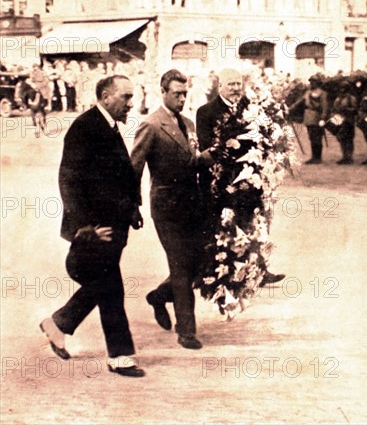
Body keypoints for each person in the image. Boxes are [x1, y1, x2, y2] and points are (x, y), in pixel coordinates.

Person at [39, 75, 145, 378]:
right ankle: (120, 356)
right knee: (111, 288)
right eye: (125, 97)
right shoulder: (85, 127)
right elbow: (68, 179)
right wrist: (84, 226)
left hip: (113, 224)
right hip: (97, 228)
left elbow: (120, 175)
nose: (131, 103)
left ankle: (58, 324)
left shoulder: (108, 126)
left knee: (105, 285)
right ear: (106, 96)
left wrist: (132, 208)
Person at [131, 69, 209, 350]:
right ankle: (186, 331)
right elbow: (134, 168)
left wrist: (206, 158)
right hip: (166, 206)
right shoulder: (151, 125)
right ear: (162, 92)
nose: (182, 98)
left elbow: (191, 162)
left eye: (185, 93)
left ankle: (158, 296)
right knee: (180, 266)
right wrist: (132, 206)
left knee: (198, 262)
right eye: (176, 93)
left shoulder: (188, 123)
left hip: (193, 204)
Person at [196, 68, 285, 287]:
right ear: (220, 87)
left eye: (238, 84)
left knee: (254, 222)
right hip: (222, 181)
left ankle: (258, 271)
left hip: (250, 178)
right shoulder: (206, 111)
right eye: (231, 84)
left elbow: (261, 138)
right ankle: (222, 274)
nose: (236, 89)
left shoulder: (251, 108)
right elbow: (207, 145)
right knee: (223, 226)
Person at [300, 75, 329, 164]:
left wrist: (323, 118)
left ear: (318, 83)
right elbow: (300, 102)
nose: (312, 83)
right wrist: (289, 109)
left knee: (317, 138)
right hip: (309, 117)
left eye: (314, 81)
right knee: (311, 137)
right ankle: (314, 157)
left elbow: (325, 106)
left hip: (317, 116)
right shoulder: (308, 92)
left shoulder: (322, 93)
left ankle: (318, 157)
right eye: (311, 81)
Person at [330, 80, 357, 164]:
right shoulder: (338, 99)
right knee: (341, 138)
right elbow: (334, 109)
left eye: (344, 88)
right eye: (341, 88)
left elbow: (354, 109)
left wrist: (346, 110)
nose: (342, 90)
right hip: (339, 120)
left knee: (349, 139)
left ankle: (349, 157)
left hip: (348, 121)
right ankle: (344, 156)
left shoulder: (351, 98)